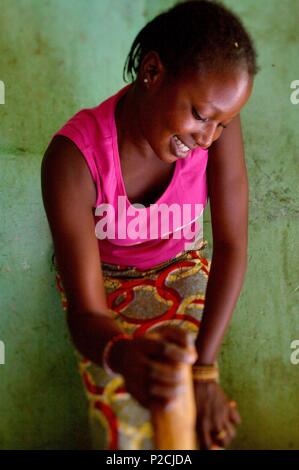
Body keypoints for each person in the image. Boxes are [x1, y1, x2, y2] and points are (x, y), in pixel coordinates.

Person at [41, 0, 258, 450]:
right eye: (199, 115)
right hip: (103, 285)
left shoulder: (215, 131)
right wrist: (121, 355)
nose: (207, 138)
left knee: (191, 418)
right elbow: (86, 313)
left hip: (181, 268)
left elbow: (233, 244)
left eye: (223, 123)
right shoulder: (72, 160)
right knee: (127, 425)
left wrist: (205, 370)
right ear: (153, 71)